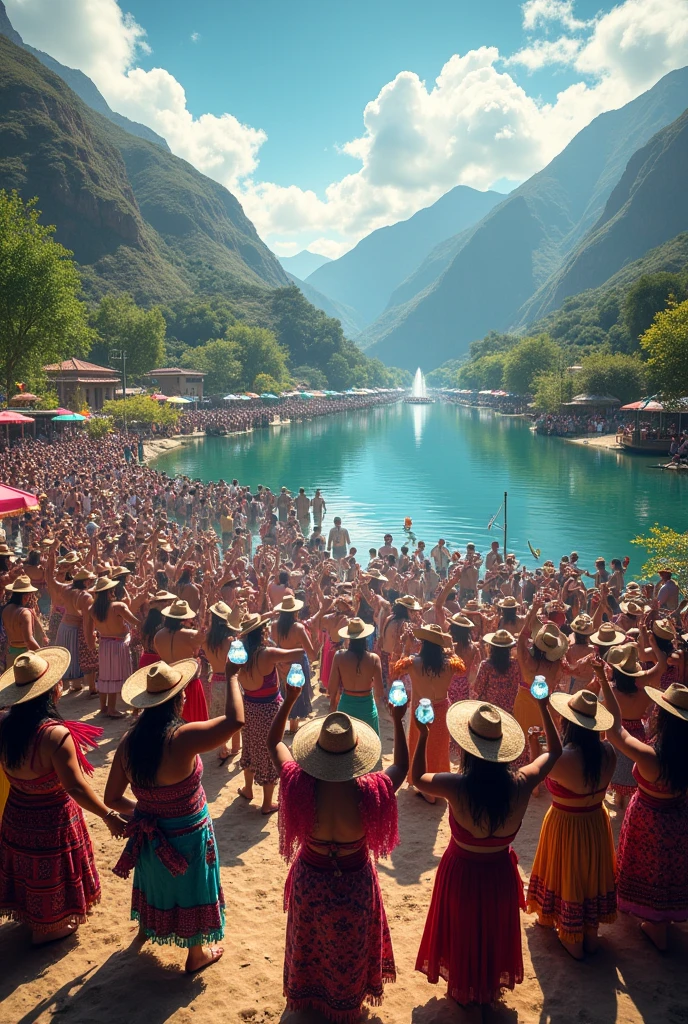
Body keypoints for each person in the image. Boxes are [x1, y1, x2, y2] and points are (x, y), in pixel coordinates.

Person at [267, 684, 409, 1023]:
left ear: (316, 750)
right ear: (356, 752)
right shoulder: (370, 792)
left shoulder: (298, 784)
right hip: (354, 882)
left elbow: (275, 742)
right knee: (350, 948)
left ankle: (310, 998)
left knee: (309, 941)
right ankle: (346, 1004)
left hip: (311, 879)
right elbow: (401, 767)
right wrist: (398, 721)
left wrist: (288, 700)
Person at [412, 694, 561, 1007]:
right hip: (499, 873)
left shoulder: (457, 786)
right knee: (490, 930)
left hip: (462, 873)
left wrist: (424, 736)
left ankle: (465, 989)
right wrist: (544, 707)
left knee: (464, 930)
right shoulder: (521, 783)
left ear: (468, 748)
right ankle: (486, 985)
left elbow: (417, 778)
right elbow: (555, 752)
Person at [105, 658, 244, 972]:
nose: (185, 697)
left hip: (151, 835)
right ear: (174, 701)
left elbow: (111, 797)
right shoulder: (181, 738)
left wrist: (146, 811)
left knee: (156, 882)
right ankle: (196, 954)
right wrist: (232, 676)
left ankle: (148, 927)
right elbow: (236, 722)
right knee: (193, 886)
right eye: (181, 693)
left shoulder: (128, 743)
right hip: (188, 834)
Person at [0, 649, 126, 944]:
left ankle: (33, 919)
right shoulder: (54, 735)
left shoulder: (5, 725)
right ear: (52, 691)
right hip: (51, 822)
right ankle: (49, 930)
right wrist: (108, 815)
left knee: (27, 870)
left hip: (17, 813)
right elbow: (76, 787)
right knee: (51, 870)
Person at [594, 665, 688, 950]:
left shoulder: (650, 757)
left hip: (648, 821)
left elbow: (614, 730)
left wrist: (603, 682)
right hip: (679, 819)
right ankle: (665, 917)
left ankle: (655, 926)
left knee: (650, 867)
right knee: (670, 869)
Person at [526, 689, 617, 959]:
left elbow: (538, 768)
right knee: (588, 874)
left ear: (568, 724)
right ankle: (589, 932)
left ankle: (572, 939)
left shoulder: (563, 760)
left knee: (568, 872)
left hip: (566, 825)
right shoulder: (609, 752)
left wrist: (534, 741)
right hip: (596, 824)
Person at [236, 613, 304, 814]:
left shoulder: (240, 656)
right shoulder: (267, 654)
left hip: (248, 706)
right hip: (268, 710)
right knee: (269, 752)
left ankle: (248, 789)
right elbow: (298, 653)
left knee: (249, 746)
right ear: (261, 632)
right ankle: (267, 803)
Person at [395, 623, 463, 801]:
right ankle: (436, 784)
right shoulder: (450, 664)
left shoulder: (413, 662)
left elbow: (396, 668)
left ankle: (423, 786)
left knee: (420, 745)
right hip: (440, 710)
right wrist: (449, 646)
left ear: (423, 644)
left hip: (420, 711)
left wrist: (407, 646)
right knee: (438, 747)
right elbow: (461, 665)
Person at [86, 575, 139, 718]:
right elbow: (135, 622)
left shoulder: (92, 609)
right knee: (115, 676)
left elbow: (89, 630)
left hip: (104, 644)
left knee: (104, 676)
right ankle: (112, 709)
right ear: (109, 592)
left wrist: (92, 646)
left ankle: (103, 707)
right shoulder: (118, 607)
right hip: (118, 645)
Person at [154, 599, 209, 723]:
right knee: (193, 720)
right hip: (189, 682)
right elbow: (201, 648)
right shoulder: (191, 635)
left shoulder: (158, 635)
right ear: (184, 619)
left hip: (168, 682)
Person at [329, 617, 384, 736]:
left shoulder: (339, 657)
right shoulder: (374, 659)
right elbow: (379, 692)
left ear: (349, 637)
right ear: (365, 637)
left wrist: (332, 706)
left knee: (345, 746)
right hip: (367, 708)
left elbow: (331, 690)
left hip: (346, 707)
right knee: (370, 748)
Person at [272, 593, 314, 734]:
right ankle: (294, 727)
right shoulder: (298, 628)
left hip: (281, 664)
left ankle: (284, 725)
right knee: (297, 694)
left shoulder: (274, 626)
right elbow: (310, 653)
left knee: (283, 693)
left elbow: (274, 646)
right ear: (295, 611)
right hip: (297, 665)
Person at [2, 575, 41, 666]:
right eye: (30, 595)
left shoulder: (5, 610)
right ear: (25, 596)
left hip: (11, 653)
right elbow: (29, 640)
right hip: (25, 656)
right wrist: (41, 654)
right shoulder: (24, 613)